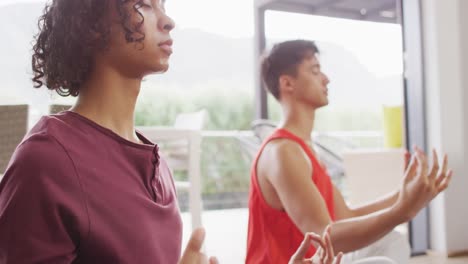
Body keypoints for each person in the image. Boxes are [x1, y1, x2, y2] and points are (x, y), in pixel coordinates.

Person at [0, 1, 343, 263]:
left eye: (162, 4)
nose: (167, 20)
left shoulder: (156, 163)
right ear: (89, 24)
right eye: (143, 4)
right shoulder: (45, 162)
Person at [246, 39, 453, 264]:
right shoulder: (283, 152)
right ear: (287, 83)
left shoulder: (303, 148)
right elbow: (325, 236)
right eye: (315, 71)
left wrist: (402, 196)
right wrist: (402, 211)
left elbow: (346, 216)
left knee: (392, 241)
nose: (326, 79)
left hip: (316, 260)